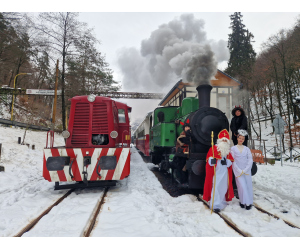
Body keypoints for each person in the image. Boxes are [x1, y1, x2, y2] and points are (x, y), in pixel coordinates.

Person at [203, 129, 234, 212]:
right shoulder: (213, 149)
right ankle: (215, 204)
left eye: (225, 140)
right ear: (219, 140)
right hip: (216, 172)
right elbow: (209, 159)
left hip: (225, 172)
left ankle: (222, 201)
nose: (224, 141)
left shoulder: (227, 151)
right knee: (216, 187)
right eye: (223, 139)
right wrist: (212, 160)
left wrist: (227, 161)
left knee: (223, 187)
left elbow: (231, 161)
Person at [230, 129, 253, 210]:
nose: (241, 140)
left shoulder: (247, 149)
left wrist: (246, 169)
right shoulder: (233, 148)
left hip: (246, 170)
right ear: (237, 138)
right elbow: (233, 160)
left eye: (243, 139)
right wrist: (238, 170)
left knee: (248, 185)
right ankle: (243, 201)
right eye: (240, 138)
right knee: (241, 186)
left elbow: (250, 159)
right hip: (238, 170)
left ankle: (248, 202)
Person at [173, 119, 191, 185]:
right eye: (186, 127)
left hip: (189, 153)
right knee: (182, 167)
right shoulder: (182, 135)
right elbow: (183, 143)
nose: (187, 128)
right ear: (184, 128)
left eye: (188, 127)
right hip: (182, 154)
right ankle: (182, 181)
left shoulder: (191, 134)